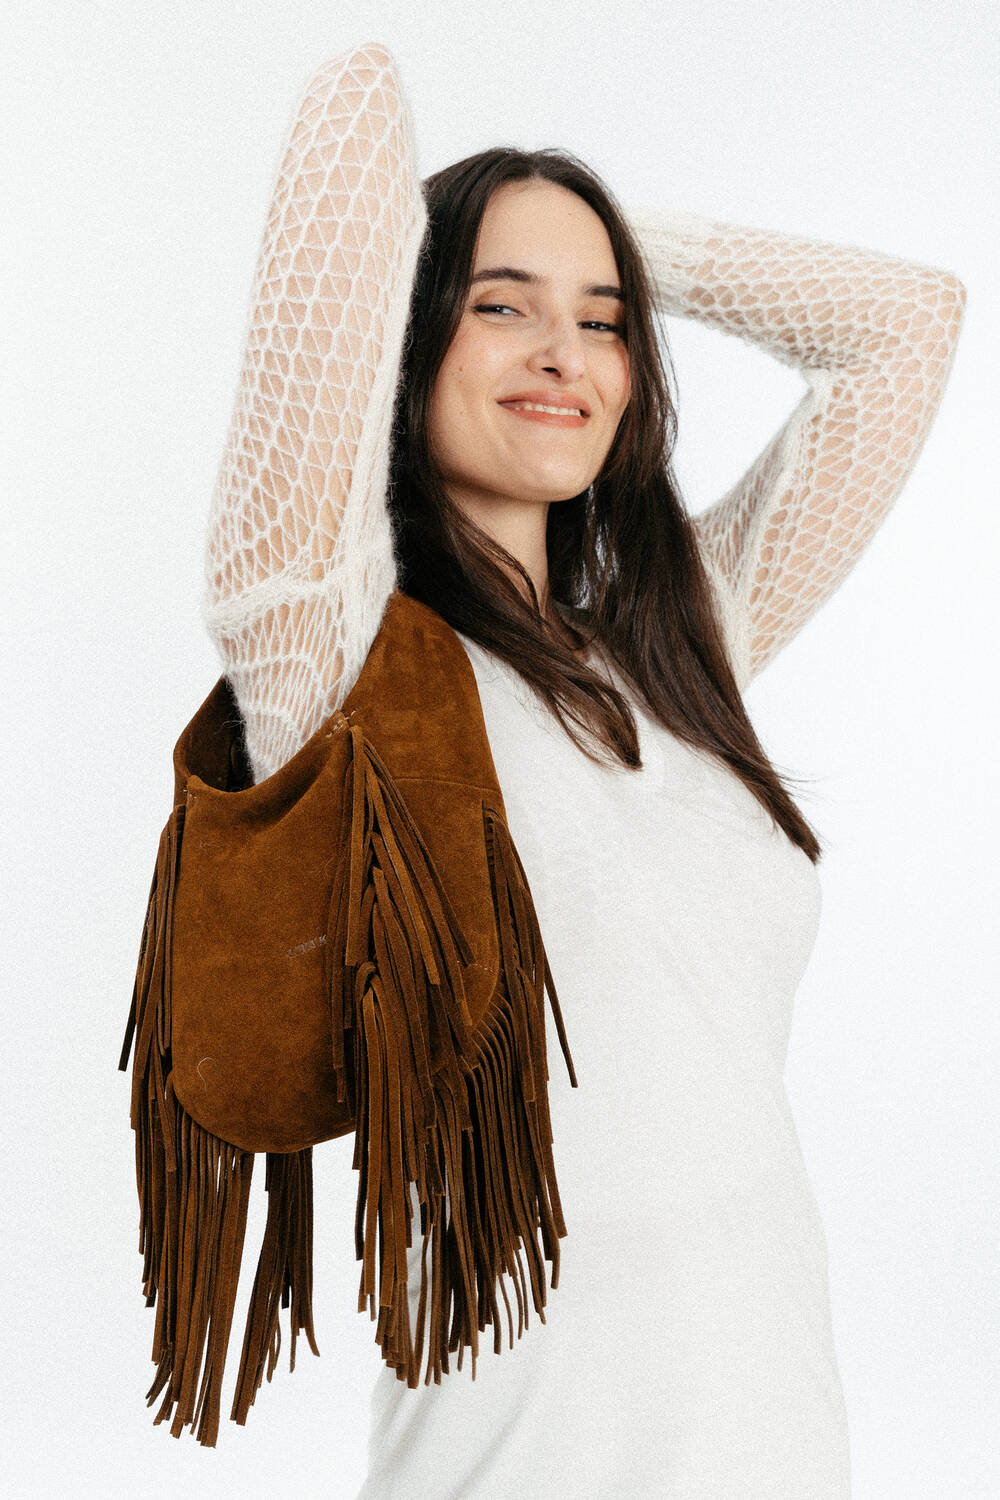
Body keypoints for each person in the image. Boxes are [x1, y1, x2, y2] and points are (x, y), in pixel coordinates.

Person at [201, 40, 966, 1500]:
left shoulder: (679, 661)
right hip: (520, 1464)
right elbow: (352, 118)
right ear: (406, 330)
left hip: (783, 1442)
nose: (566, 354)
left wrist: (599, 240)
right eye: (501, 308)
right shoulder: (341, 664)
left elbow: (908, 326)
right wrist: (506, 226)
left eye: (603, 322)